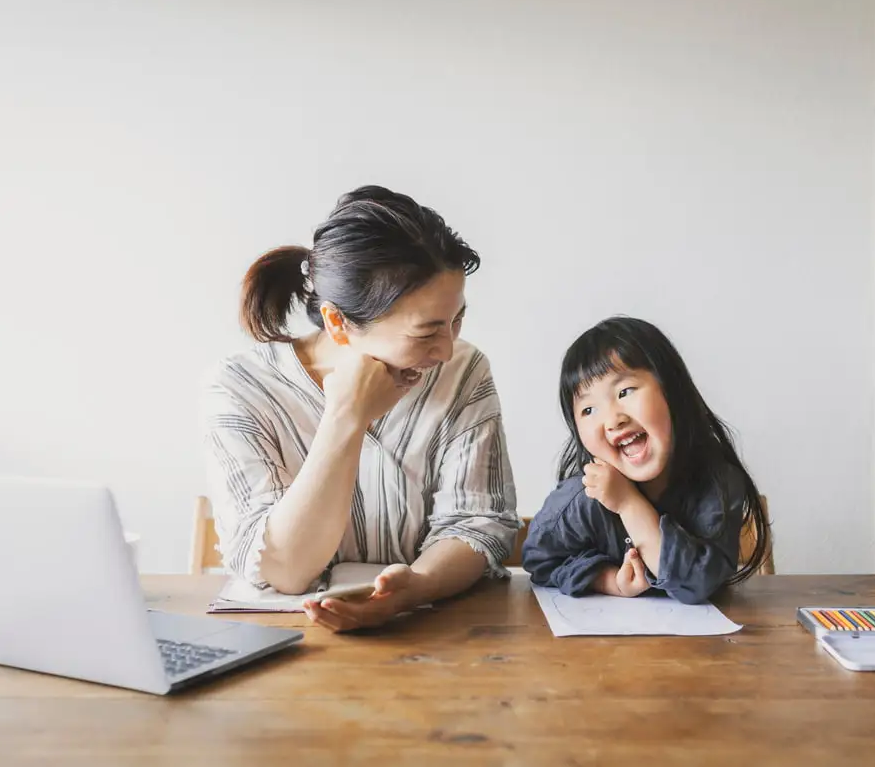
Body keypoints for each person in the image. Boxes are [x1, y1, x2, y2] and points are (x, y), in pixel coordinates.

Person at [202, 185, 520, 632]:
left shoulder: (463, 371)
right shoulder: (241, 387)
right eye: (427, 331)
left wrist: (418, 586)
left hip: (435, 635)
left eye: (456, 320)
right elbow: (286, 570)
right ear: (337, 321)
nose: (447, 349)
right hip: (280, 645)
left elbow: (477, 522)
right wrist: (345, 416)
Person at [522, 316, 771, 603]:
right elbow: (539, 560)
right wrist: (608, 580)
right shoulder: (583, 497)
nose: (613, 419)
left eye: (624, 392)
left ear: (671, 390)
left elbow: (697, 582)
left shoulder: (716, 483)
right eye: (589, 409)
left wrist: (628, 503)